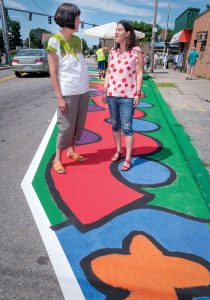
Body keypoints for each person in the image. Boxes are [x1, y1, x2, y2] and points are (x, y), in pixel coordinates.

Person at [47, 3, 89, 174]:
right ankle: (58, 158)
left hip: (83, 90)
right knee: (66, 126)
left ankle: (71, 151)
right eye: (77, 18)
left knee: (78, 124)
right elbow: (53, 70)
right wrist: (59, 96)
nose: (79, 21)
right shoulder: (54, 40)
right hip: (68, 92)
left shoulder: (78, 40)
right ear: (69, 19)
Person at [103, 20, 144, 171]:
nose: (116, 32)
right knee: (115, 125)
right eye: (116, 29)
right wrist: (105, 89)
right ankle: (119, 150)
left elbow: (139, 73)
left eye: (119, 30)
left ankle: (128, 158)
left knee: (127, 127)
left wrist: (138, 92)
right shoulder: (112, 52)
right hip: (112, 94)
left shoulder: (136, 51)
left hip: (128, 95)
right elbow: (108, 72)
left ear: (127, 33)